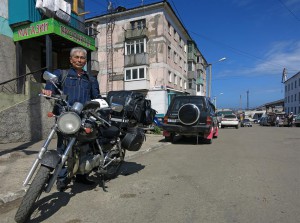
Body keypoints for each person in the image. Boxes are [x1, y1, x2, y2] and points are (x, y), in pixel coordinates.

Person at [42, 47, 101, 190]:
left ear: (85, 61)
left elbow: (96, 98)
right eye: (77, 57)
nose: (79, 60)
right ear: (71, 59)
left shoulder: (91, 79)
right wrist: (48, 89)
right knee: (62, 148)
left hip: (83, 118)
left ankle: (82, 175)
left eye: (82, 58)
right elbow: (51, 85)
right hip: (65, 116)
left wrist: (100, 107)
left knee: (84, 148)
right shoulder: (61, 74)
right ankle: (61, 178)